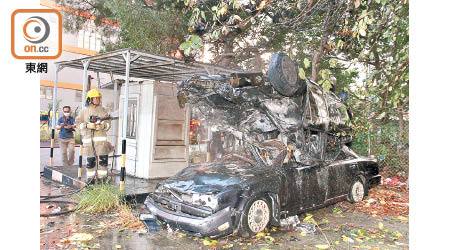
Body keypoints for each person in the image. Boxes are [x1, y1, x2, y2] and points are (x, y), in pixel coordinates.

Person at [76, 89, 111, 184]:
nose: (97, 99)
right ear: (90, 99)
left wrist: (103, 126)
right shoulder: (84, 111)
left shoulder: (103, 110)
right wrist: (86, 125)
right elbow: (78, 124)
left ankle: (102, 180)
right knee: (90, 161)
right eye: (95, 98)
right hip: (89, 141)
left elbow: (108, 123)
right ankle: (90, 180)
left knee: (103, 160)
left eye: (98, 98)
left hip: (101, 142)